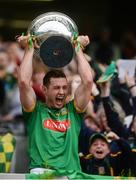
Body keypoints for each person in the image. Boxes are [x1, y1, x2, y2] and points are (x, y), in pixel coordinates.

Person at [17, 34, 95, 179]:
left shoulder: (74, 111)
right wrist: (29, 48)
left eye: (65, 88)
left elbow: (88, 82)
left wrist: (78, 48)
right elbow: (23, 82)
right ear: (44, 90)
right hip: (41, 173)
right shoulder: (35, 111)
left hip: (70, 174)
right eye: (56, 88)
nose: (62, 92)